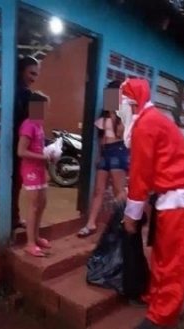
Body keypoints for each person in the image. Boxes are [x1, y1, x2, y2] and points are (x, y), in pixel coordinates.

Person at [119, 78, 184, 329]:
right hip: (173, 193)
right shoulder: (149, 120)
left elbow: (140, 176)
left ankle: (162, 315)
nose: (118, 110)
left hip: (183, 196)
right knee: (162, 252)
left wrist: (131, 215)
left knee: (174, 260)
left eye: (121, 103)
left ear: (130, 103)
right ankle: (155, 297)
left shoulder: (145, 125)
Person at [78, 81, 129, 237]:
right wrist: (100, 156)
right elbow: (101, 138)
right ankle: (91, 224)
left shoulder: (125, 114)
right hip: (106, 153)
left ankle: (122, 224)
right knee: (98, 190)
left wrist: (119, 114)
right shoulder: (104, 114)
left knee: (118, 192)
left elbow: (126, 137)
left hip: (119, 152)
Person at [17, 93, 53, 257]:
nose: (46, 111)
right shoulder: (28, 125)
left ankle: (36, 237)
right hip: (30, 170)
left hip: (39, 170)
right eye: (44, 108)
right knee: (33, 206)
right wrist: (44, 157)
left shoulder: (39, 126)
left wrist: (45, 167)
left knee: (42, 203)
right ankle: (29, 243)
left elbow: (40, 149)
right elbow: (21, 151)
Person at [13, 56, 41, 228]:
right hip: (22, 146)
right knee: (19, 186)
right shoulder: (26, 95)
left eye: (36, 75)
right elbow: (37, 124)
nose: (33, 78)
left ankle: (14, 218)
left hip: (19, 144)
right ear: (21, 70)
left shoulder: (17, 91)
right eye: (31, 73)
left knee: (17, 185)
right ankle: (14, 220)